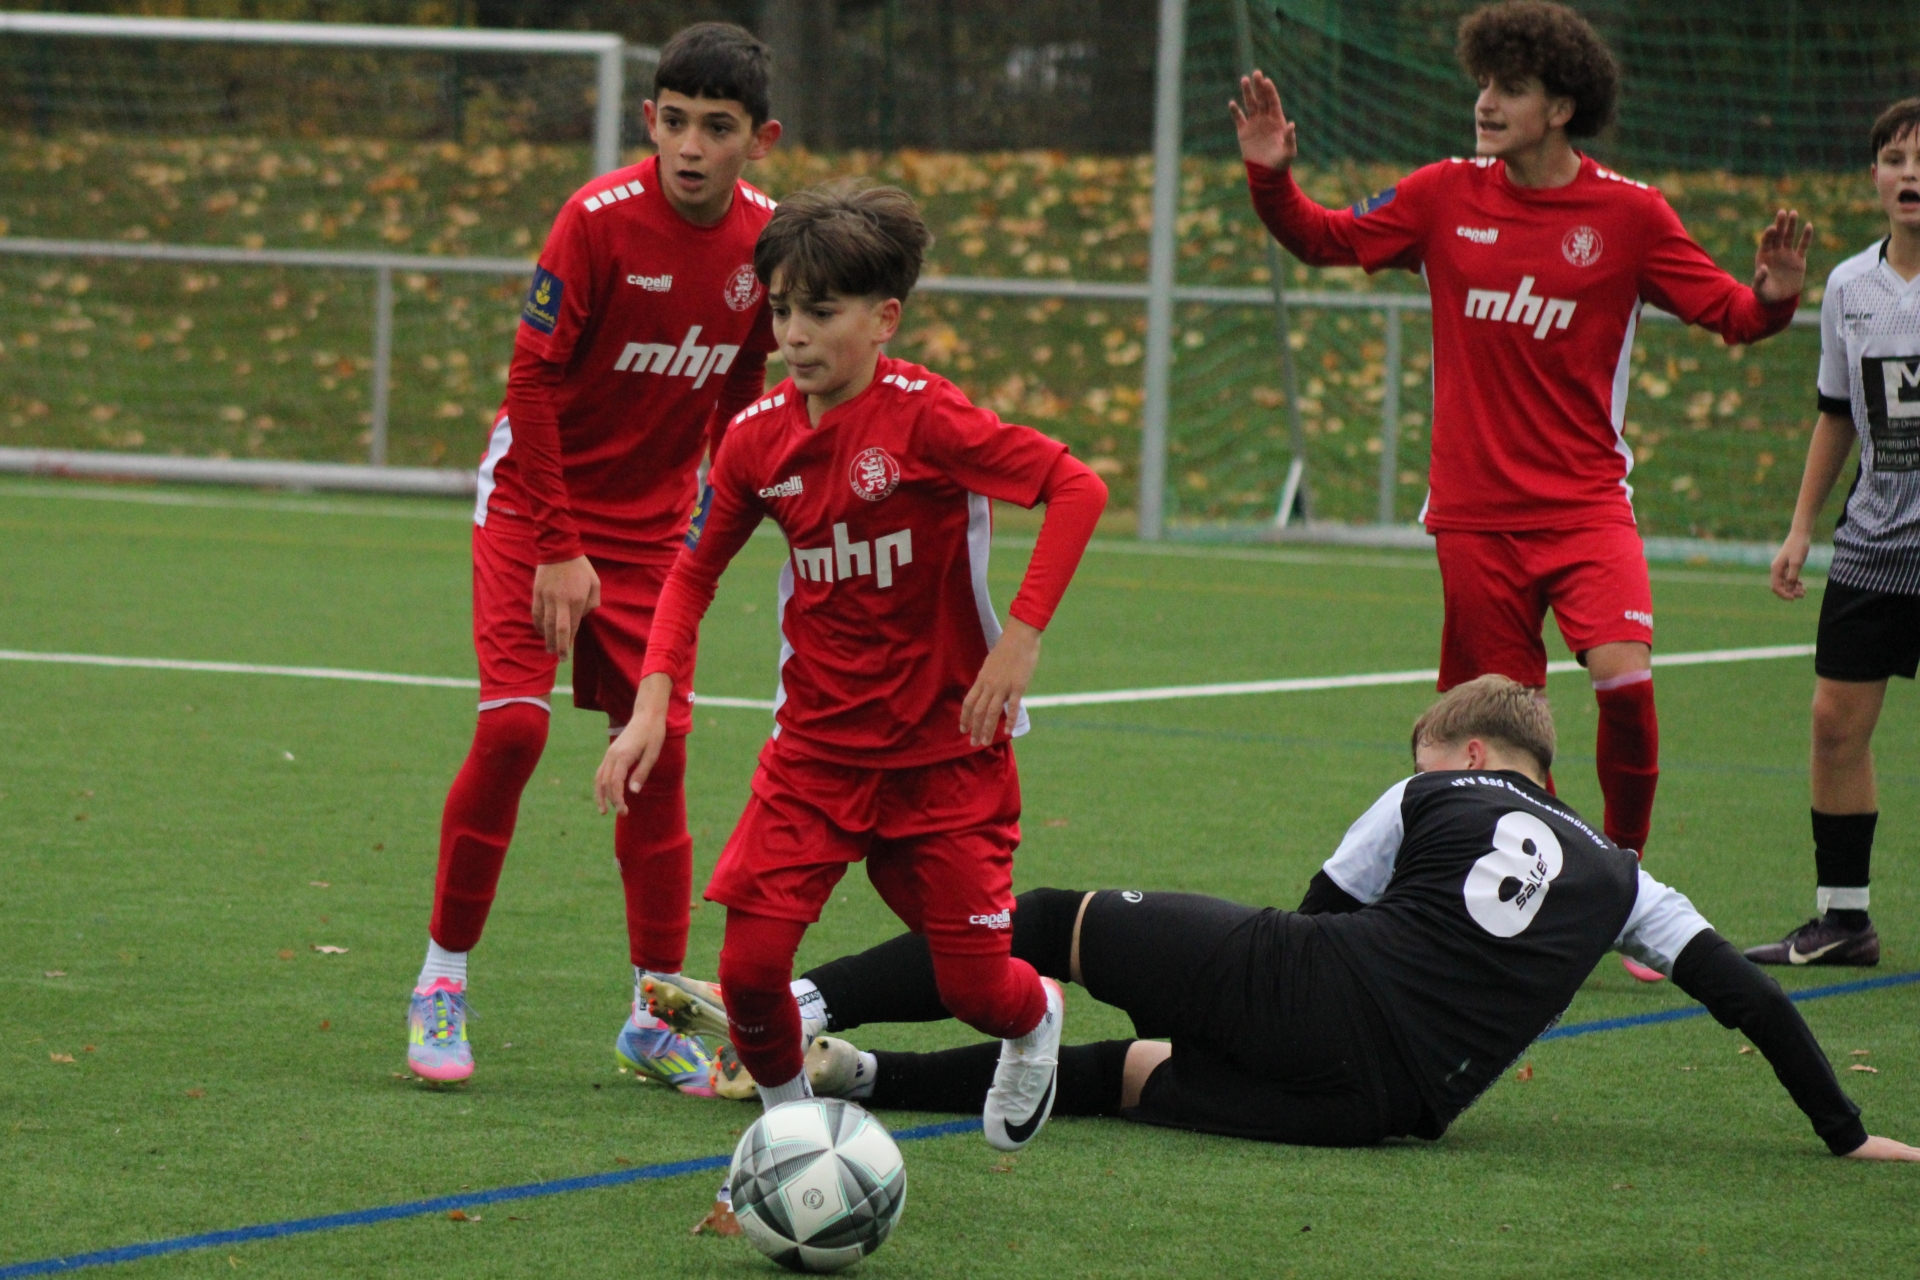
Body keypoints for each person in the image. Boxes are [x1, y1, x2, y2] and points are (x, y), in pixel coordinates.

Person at [649, 676, 1919, 1162]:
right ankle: (866, 1076)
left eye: (1429, 751)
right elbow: (1750, 997)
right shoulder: (1631, 879)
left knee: (1040, 917)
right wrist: (1845, 1130)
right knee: (1127, 1075)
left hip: (1304, 978)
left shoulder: (1432, 789)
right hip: (1380, 1107)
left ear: (1473, 750)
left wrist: (1215, 975)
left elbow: (1318, 913)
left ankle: (804, 1000)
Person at [1232, 1, 1812, 982]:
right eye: (1484, 84)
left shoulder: (1630, 216)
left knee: (1625, 679)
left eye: (1511, 88)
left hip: (1587, 506)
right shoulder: (1440, 195)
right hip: (1475, 519)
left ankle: (1624, 877)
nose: (1486, 103)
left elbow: (1732, 314)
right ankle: (1492, 902)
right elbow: (1321, 238)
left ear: (1563, 106)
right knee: (1492, 738)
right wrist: (1269, 174)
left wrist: (1777, 295)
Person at [595, 181, 1108, 1151]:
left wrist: (1021, 635)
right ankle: (790, 1138)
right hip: (817, 753)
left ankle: (1035, 1011)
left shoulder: (928, 418)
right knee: (749, 969)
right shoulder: (755, 439)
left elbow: (1075, 487)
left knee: (974, 987)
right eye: (781, 309)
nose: (793, 333)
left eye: (820, 311)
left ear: (884, 319)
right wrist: (651, 702)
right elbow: (689, 576)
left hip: (944, 751)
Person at [405, 23, 784, 1089]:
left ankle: (654, 1013)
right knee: (514, 729)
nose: (692, 146)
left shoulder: (767, 242)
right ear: (649, 120)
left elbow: (743, 385)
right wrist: (560, 546)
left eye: (719, 127)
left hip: (655, 531)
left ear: (760, 139)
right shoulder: (596, 220)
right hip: (536, 506)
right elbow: (529, 381)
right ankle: (440, 983)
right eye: (677, 122)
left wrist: (723, 511)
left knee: (657, 759)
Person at [1748, 98, 1920, 969]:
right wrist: (1800, 528)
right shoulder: (1850, 287)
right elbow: (1836, 413)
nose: (1910, 174)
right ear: (1875, 176)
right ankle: (1844, 919)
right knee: (1833, 723)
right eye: (1895, 158)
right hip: (1875, 543)